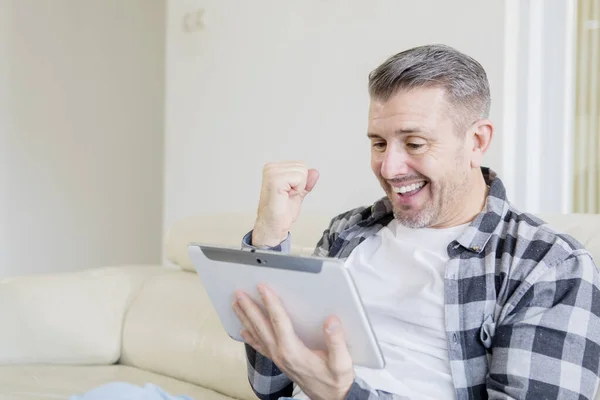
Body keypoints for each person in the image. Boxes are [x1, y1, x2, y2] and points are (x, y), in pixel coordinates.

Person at [231, 44, 600, 400]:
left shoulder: (548, 266)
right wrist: (269, 236)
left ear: (476, 141)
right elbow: (269, 386)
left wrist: (344, 395)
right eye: (378, 144)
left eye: (415, 143)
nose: (389, 169)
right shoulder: (348, 232)